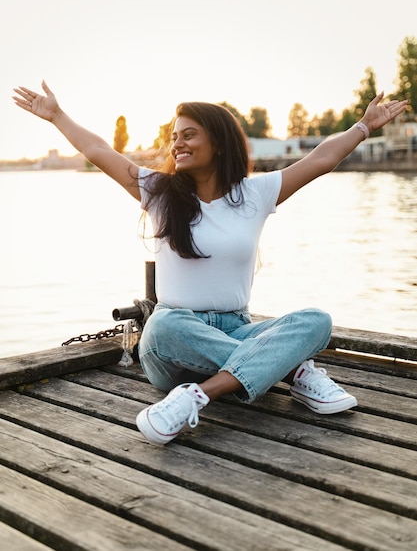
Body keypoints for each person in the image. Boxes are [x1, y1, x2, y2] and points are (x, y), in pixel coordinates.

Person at [13, 81, 407, 446]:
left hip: (238, 325)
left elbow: (320, 159)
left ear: (217, 143)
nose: (177, 145)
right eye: (174, 138)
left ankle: (197, 395)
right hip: (175, 340)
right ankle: (290, 372)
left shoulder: (255, 193)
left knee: (315, 321)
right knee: (165, 324)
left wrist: (363, 126)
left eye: (188, 135)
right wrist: (56, 115)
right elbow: (100, 151)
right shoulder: (159, 192)